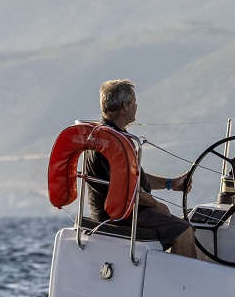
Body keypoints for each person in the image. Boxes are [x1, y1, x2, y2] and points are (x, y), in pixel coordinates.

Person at [85, 79, 199, 260]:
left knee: (183, 226)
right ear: (125, 106)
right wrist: (156, 204)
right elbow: (127, 191)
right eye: (134, 102)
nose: (136, 106)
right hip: (121, 216)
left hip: (127, 212)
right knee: (184, 231)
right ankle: (181, 279)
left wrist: (171, 183)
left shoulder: (111, 136)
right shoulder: (110, 143)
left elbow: (134, 178)